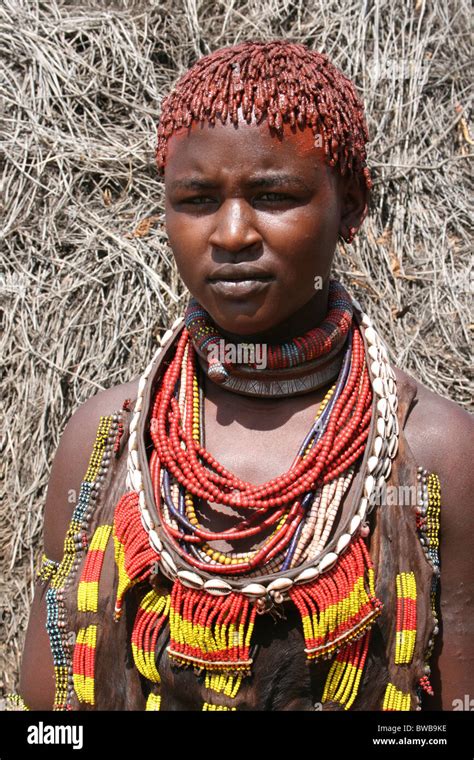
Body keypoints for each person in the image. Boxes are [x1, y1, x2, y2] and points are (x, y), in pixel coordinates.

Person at [8, 39, 473, 712]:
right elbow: (48, 695)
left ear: (352, 208)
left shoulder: (431, 454)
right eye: (197, 199)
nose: (231, 233)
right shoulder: (107, 440)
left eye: (273, 194)